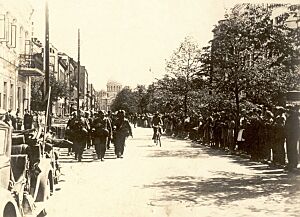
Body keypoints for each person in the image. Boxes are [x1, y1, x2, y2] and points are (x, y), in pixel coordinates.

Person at [285, 107, 300, 171]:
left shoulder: (293, 119)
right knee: (290, 149)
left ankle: (293, 163)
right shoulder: (292, 118)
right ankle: (291, 162)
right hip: (290, 136)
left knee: (292, 149)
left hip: (292, 136)